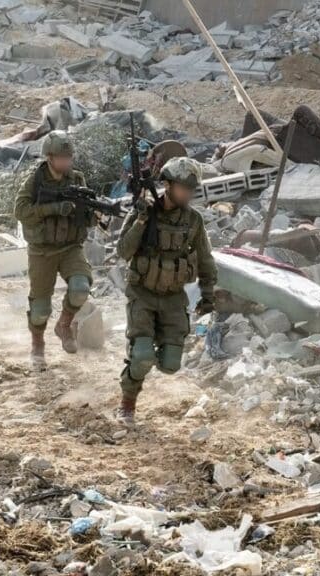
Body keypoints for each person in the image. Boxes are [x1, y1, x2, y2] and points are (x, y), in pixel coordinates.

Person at [115, 157, 216, 425]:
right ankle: (128, 403)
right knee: (143, 356)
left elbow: (205, 259)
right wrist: (140, 220)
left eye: (191, 189)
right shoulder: (143, 211)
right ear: (168, 185)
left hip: (173, 298)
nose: (188, 194)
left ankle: (145, 349)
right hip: (143, 294)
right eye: (183, 188)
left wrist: (208, 295)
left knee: (171, 364)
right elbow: (123, 251)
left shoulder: (193, 221)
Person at [13, 131, 96, 371]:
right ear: (49, 158)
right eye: (61, 157)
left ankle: (64, 325)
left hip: (70, 247)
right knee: (40, 310)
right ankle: (37, 345)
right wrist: (54, 208)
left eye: (69, 157)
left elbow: (87, 218)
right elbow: (21, 211)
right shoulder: (35, 181)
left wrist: (90, 213)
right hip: (42, 251)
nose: (66, 162)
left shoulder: (77, 179)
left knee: (81, 288)